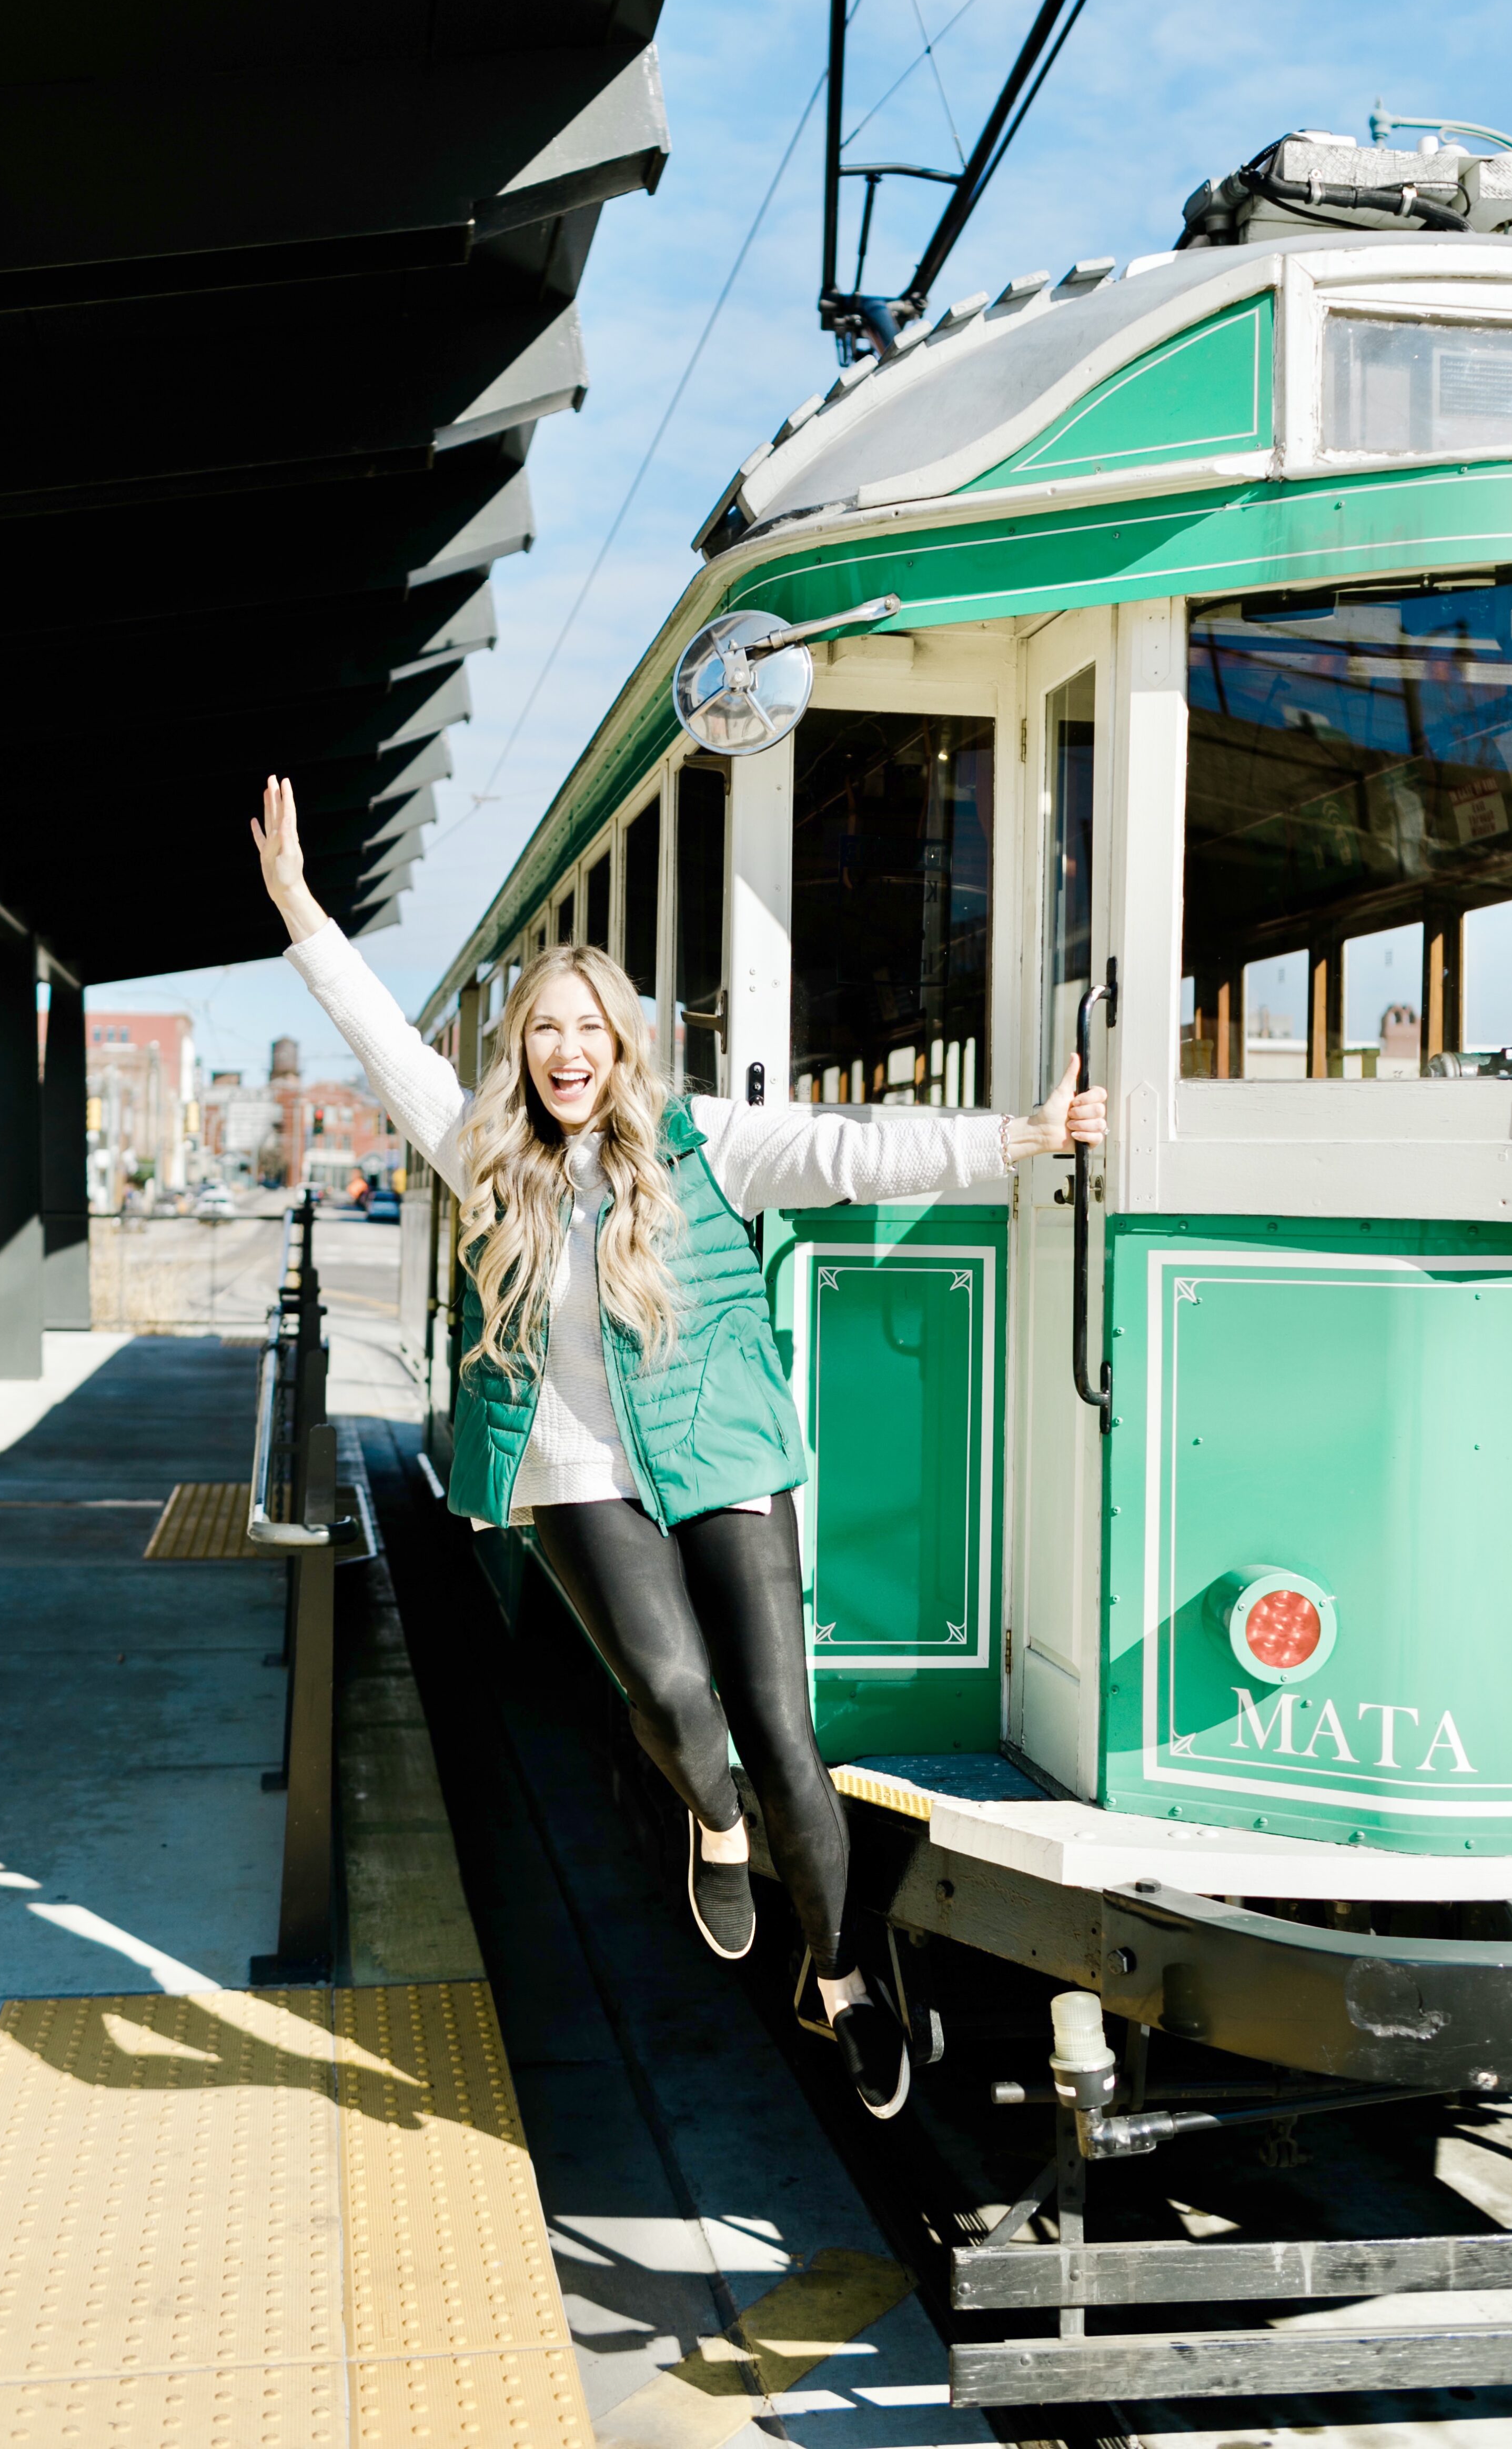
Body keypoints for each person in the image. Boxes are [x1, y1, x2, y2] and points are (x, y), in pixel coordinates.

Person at [252, 773, 1107, 2119]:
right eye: (545, 1029)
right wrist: (302, 908)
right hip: (574, 1468)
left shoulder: (700, 1139)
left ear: (622, 1044)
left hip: (722, 1451)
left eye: (587, 1027)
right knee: (672, 1702)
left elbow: (851, 1150)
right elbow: (382, 1043)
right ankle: (711, 1822)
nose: (565, 1049)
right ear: (522, 1050)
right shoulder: (482, 1149)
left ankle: (840, 1982)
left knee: (782, 1725)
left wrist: (1021, 1137)